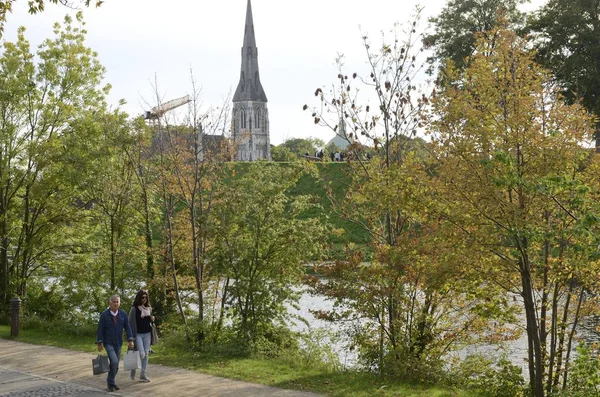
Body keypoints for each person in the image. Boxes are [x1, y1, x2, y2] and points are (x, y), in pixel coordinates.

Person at [96, 294, 134, 392]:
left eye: (117, 302)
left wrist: (130, 339)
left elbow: (128, 327)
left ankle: (111, 382)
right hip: (108, 343)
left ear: (119, 303)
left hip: (119, 343)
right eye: (114, 302)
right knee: (114, 361)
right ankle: (110, 382)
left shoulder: (122, 314)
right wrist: (99, 342)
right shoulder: (104, 315)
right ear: (110, 302)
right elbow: (100, 329)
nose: (116, 303)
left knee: (115, 365)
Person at [128, 290, 155, 383]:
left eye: (146, 297)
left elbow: (149, 321)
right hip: (137, 334)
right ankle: (133, 368)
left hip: (147, 334)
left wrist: (152, 318)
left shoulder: (148, 308)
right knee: (141, 354)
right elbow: (130, 324)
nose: (144, 299)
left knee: (146, 354)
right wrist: (130, 338)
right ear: (139, 298)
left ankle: (143, 374)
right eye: (142, 297)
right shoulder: (134, 309)